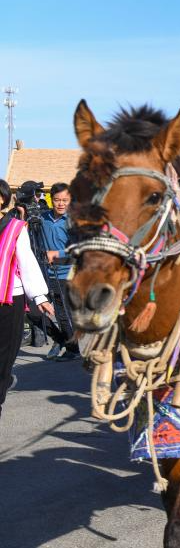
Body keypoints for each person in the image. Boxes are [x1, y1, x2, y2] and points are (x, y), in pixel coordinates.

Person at [1, 180, 56, 420]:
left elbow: (27, 261)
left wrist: (40, 296)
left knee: (5, 355)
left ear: (3, 199)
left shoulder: (15, 228)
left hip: (10, 299)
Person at [40, 183, 78, 361]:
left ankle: (73, 350)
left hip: (65, 274)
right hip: (42, 274)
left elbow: (80, 248)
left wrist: (57, 254)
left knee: (63, 314)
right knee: (33, 312)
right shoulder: (42, 217)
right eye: (57, 200)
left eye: (65, 200)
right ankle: (60, 339)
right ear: (51, 199)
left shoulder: (74, 221)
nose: (61, 204)